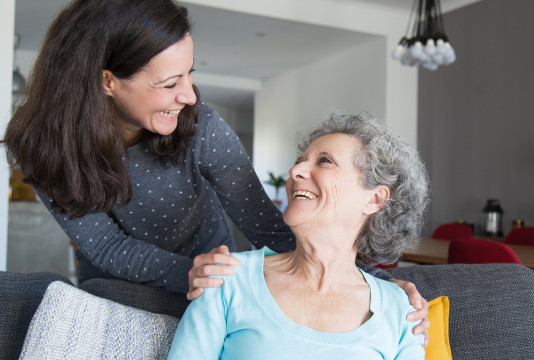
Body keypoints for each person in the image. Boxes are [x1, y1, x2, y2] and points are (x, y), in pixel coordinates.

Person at [3, 0, 428, 338]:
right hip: (121, 286)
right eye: (169, 84)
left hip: (215, 280)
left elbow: (264, 223)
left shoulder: (200, 125)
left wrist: (374, 282)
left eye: (189, 74)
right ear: (107, 81)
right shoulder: (43, 150)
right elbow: (108, 248)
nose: (188, 95)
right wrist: (188, 270)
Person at [168, 113, 429, 359]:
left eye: (325, 161)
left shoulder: (402, 312)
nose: (295, 172)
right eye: (298, 162)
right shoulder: (226, 279)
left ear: (374, 199)